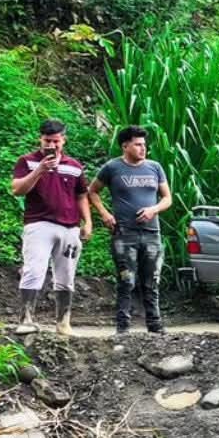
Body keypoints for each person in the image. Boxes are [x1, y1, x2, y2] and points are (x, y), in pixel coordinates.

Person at [11, 118, 91, 335]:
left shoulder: (74, 166)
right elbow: (17, 189)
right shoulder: (27, 161)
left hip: (70, 227)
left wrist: (88, 221)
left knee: (66, 275)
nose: (52, 145)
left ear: (63, 140)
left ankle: (64, 323)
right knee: (34, 269)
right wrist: (40, 170)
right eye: (47, 141)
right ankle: (26, 319)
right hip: (39, 224)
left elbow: (81, 195)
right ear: (40, 139)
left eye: (56, 141)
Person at [89, 125, 171, 335]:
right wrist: (105, 214)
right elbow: (93, 191)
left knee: (152, 281)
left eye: (144, 144)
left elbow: (167, 198)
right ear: (125, 146)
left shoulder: (154, 167)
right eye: (137, 144)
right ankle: (123, 327)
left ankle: (155, 325)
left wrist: (154, 209)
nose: (143, 148)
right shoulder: (112, 167)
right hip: (124, 233)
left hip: (152, 233)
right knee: (127, 281)